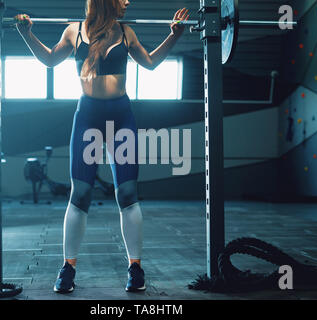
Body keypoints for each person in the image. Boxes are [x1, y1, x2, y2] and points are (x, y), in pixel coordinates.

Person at [16, 0, 189, 293]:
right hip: (89, 116)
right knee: (81, 192)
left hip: (121, 117)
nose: (127, 1)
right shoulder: (75, 31)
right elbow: (48, 60)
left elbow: (150, 63)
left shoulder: (126, 32)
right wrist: (26, 33)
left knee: (127, 192)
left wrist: (174, 35)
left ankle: (135, 267)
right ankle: (68, 267)